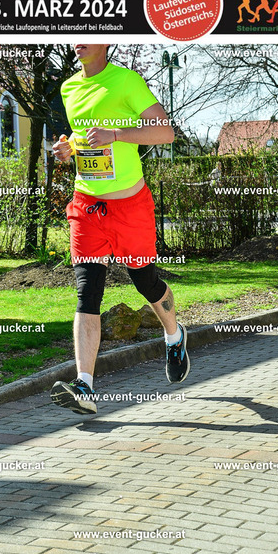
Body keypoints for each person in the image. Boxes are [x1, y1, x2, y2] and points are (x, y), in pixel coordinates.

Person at [50, 44, 190, 415]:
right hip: (87, 205)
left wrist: (115, 133)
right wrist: (69, 149)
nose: (78, 39)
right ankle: (84, 385)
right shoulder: (68, 87)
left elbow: (164, 132)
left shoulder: (127, 81)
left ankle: (174, 335)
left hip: (130, 206)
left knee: (145, 281)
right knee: (87, 290)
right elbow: (84, 137)